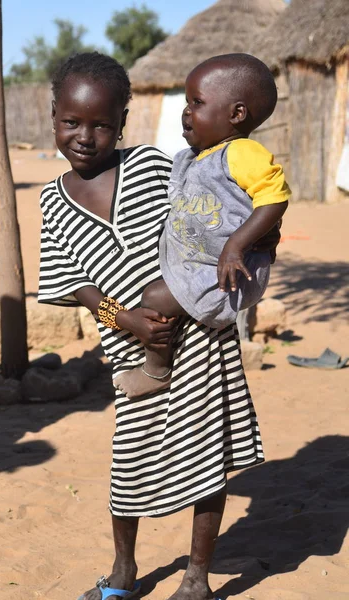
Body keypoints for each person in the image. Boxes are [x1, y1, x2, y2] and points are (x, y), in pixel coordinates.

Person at [38, 52, 280, 600]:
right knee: (129, 471)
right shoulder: (54, 204)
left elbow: (226, 203)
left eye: (102, 124)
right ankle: (124, 569)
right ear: (53, 116)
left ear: (122, 123)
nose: (85, 136)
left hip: (201, 341)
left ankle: (197, 576)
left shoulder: (155, 165)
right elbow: (77, 289)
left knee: (208, 460)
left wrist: (257, 241)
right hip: (133, 354)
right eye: (72, 122)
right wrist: (123, 319)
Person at [114, 53, 290, 399]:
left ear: (236, 114)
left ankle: (157, 370)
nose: (186, 111)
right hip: (206, 262)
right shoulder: (194, 157)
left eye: (197, 102)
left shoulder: (242, 153)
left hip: (226, 271)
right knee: (155, 292)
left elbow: (275, 196)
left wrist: (236, 244)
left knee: (154, 297)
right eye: (186, 102)